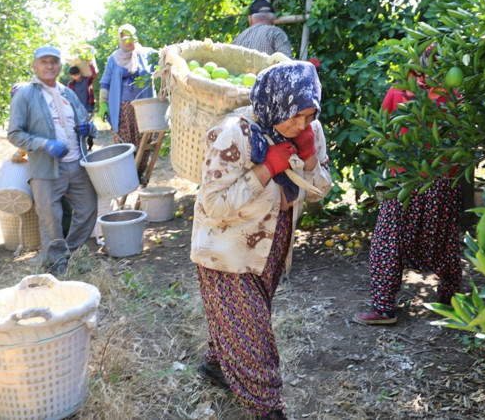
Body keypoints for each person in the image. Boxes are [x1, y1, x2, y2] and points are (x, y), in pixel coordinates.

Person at [190, 61, 332, 420]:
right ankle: (269, 408)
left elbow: (319, 192)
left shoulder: (309, 130)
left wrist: (311, 156)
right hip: (226, 251)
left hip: (271, 244)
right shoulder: (232, 133)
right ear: (277, 103)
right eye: (296, 115)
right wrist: (266, 169)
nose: (302, 124)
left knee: (245, 320)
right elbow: (213, 205)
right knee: (254, 336)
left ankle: (218, 365)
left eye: (309, 114)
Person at [354, 44, 464, 325]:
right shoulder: (454, 95)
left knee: (388, 240)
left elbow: (384, 132)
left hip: (402, 180)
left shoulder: (398, 92)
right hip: (441, 182)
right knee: (443, 237)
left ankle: (383, 308)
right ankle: (450, 298)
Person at [7, 45, 98, 276]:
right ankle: (56, 266)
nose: (49, 66)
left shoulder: (67, 93)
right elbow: (14, 133)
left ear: (60, 66)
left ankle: (72, 254)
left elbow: (86, 121)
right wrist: (45, 144)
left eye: (54, 62)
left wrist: (89, 128)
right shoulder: (26, 95)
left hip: (76, 164)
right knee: (50, 219)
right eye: (44, 62)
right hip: (45, 168)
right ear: (34, 66)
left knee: (87, 208)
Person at [98, 24, 157, 180]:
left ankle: (139, 173)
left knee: (144, 139)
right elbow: (105, 82)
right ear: (120, 39)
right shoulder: (114, 58)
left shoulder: (146, 54)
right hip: (121, 108)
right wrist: (103, 103)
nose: (128, 41)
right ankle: (126, 175)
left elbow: (165, 57)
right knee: (124, 142)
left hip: (143, 106)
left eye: (131, 37)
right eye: (124, 37)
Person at [67, 64, 96, 151]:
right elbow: (67, 95)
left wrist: (90, 64)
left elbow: (94, 75)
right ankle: (82, 146)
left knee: (89, 127)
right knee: (80, 128)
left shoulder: (87, 80)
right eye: (74, 75)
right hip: (77, 110)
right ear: (71, 76)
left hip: (88, 108)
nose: (76, 76)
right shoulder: (71, 84)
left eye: (77, 74)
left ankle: (90, 143)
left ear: (79, 73)